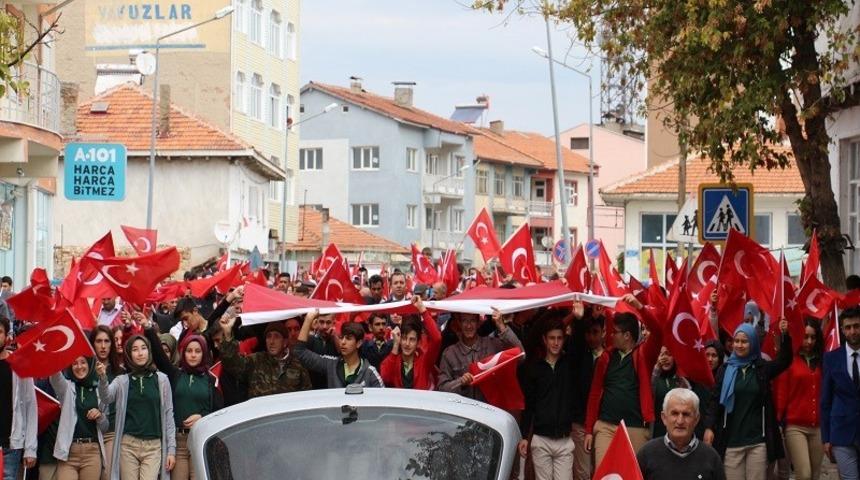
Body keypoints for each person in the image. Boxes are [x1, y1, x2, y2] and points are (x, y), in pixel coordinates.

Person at [703, 320, 792, 480]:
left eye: (744, 341)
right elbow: (714, 401)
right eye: (736, 341)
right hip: (731, 441)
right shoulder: (724, 370)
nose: (739, 345)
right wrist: (709, 427)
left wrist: (785, 335)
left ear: (753, 343)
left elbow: (784, 361)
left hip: (757, 442)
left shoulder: (761, 368)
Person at [584, 295, 662, 465]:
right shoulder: (605, 358)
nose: (611, 335)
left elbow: (658, 332)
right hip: (605, 426)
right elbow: (594, 394)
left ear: (627, 335)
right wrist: (589, 429)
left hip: (635, 428)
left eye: (615, 332)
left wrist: (640, 307)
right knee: (604, 474)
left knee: (632, 475)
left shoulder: (643, 355)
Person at [143, 315, 223, 480]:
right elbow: (160, 356)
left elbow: (220, 411)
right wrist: (149, 328)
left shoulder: (210, 379)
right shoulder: (176, 375)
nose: (193, 355)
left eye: (197, 351)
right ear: (183, 353)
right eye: (189, 351)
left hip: (200, 439)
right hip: (178, 443)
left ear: (204, 354)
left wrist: (202, 417)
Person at [97, 335, 176, 480]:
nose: (140, 353)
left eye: (143, 348)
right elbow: (106, 397)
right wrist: (102, 378)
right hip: (128, 445)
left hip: (154, 446)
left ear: (149, 351)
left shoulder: (162, 380)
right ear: (129, 354)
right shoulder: (122, 381)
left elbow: (168, 416)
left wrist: (171, 450)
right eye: (135, 349)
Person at [517, 313, 576, 480]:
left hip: (564, 440)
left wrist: (576, 317)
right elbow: (530, 404)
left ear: (564, 339)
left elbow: (578, 348)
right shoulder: (535, 368)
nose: (556, 342)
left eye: (559, 338)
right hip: (541, 439)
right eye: (552, 338)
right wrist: (524, 437)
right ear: (544, 340)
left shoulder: (569, 365)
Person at [636, 388, 725, 480]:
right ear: (664, 418)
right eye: (674, 413)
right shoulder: (646, 454)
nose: (680, 421)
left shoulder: (711, 457)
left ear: (696, 419)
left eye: (686, 414)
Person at [774, 318, 824, 480]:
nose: (809, 341)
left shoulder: (823, 361)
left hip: (819, 427)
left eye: (813, 337)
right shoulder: (789, 360)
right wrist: (778, 421)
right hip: (795, 426)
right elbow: (781, 393)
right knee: (804, 474)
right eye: (805, 336)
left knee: (815, 475)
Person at [437, 309, 523, 401]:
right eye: (465, 321)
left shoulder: (493, 345)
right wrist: (461, 382)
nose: (469, 326)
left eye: (472, 321)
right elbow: (442, 388)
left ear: (479, 323)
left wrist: (502, 326)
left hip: (491, 409)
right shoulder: (449, 353)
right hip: (463, 410)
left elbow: (520, 355)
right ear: (459, 324)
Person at [218, 319, 311, 398]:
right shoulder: (256, 361)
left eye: (277, 337)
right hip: (261, 416)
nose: (272, 341)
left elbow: (306, 396)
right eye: (268, 337)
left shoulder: (298, 365)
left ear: (285, 342)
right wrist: (227, 334)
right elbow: (231, 363)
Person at [50, 356, 109, 480]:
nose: (79, 366)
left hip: (92, 452)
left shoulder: (98, 390)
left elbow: (105, 427)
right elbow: (55, 377)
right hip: (69, 453)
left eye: (83, 362)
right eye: (75, 363)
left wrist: (100, 416)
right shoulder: (67, 388)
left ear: (90, 365)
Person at [295, 310, 384, 388]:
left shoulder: (370, 373)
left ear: (359, 343)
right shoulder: (331, 364)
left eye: (348, 338)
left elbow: (384, 403)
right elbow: (300, 352)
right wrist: (308, 319)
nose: (343, 342)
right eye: (341, 337)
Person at [821, 308, 860, 480]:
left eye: (857, 326)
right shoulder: (831, 358)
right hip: (841, 432)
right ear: (843, 330)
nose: (853, 331)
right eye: (849, 327)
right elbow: (826, 401)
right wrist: (826, 437)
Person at [1, 316, 37, 480]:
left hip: (11, 446)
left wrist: (30, 448)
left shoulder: (18, 365)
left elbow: (30, 407)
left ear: (7, 336)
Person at [379, 296, 441, 389]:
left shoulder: (424, 361)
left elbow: (437, 338)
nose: (407, 344)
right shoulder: (394, 359)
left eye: (412, 339)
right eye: (404, 338)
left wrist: (423, 310)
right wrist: (395, 345)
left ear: (418, 342)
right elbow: (385, 377)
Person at [88, 326, 122, 480]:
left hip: (111, 433)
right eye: (99, 341)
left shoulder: (120, 372)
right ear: (92, 343)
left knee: (108, 475)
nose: (103, 346)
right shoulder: (83, 369)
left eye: (107, 341)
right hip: (89, 432)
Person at [651, 347, 691, 439]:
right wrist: (657, 368)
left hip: (676, 432)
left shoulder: (682, 382)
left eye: (668, 354)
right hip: (654, 432)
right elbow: (649, 393)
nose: (665, 358)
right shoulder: (652, 378)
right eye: (661, 354)